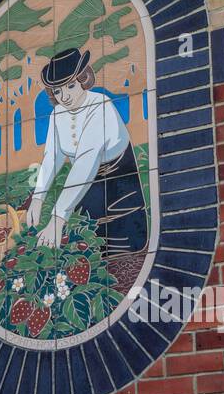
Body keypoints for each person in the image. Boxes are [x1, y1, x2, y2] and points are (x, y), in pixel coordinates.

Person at [26, 47, 146, 253]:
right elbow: (51, 158)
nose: (64, 96)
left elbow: (86, 161)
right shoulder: (57, 115)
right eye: (57, 91)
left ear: (84, 79)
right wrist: (38, 198)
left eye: (71, 86)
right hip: (85, 189)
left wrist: (57, 219)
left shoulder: (101, 105)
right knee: (90, 245)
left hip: (118, 186)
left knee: (123, 247)